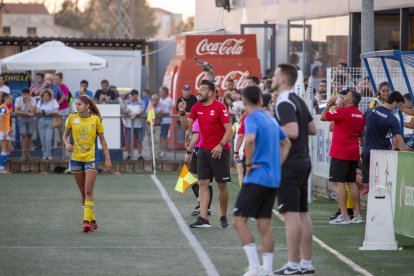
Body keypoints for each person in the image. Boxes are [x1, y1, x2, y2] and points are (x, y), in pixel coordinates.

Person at [233, 85, 291, 275]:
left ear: (243, 101)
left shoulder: (251, 118)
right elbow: (286, 143)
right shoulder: (271, 119)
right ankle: (267, 270)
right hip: (273, 178)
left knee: (239, 221)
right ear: (260, 99)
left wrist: (249, 165)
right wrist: (276, 164)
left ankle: (254, 266)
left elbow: (249, 139)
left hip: (257, 177)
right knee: (263, 224)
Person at [272, 64, 316, 275]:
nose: (272, 78)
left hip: (290, 162)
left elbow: (293, 130)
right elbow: (312, 129)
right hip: (303, 161)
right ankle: (306, 263)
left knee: (290, 215)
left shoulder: (284, 100)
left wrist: (269, 128)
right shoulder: (298, 100)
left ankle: (293, 264)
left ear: (282, 79)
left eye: (275, 75)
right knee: (302, 213)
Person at [178, 79, 233, 228]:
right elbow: (186, 127)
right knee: (202, 183)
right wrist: (182, 113)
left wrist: (221, 145)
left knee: (222, 185)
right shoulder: (196, 107)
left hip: (221, 151)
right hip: (203, 151)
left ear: (210, 93)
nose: (199, 91)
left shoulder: (220, 107)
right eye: (199, 89)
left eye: (202, 89)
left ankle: (223, 216)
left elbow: (229, 130)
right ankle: (203, 219)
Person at [63, 95, 112, 232]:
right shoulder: (72, 118)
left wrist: (107, 159)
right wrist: (67, 144)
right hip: (76, 158)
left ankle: (86, 222)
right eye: (76, 104)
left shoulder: (95, 120)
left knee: (88, 190)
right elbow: (65, 135)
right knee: (82, 192)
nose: (76, 106)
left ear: (87, 106)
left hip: (91, 158)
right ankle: (92, 220)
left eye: (79, 104)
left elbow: (103, 141)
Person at [321, 90, 365, 224]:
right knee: (352, 183)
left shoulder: (342, 112)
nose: (344, 97)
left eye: (346, 96)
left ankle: (344, 215)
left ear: (351, 100)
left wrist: (329, 103)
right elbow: (361, 132)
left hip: (340, 152)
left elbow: (323, 117)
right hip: (353, 152)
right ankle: (357, 215)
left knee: (339, 183)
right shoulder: (360, 114)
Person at [362, 92, 406, 188]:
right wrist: (405, 155)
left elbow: (361, 130)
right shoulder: (392, 118)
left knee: (367, 183)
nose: (399, 109)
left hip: (366, 151)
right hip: (380, 154)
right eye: (400, 106)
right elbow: (398, 138)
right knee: (380, 182)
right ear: (395, 103)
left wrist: (361, 145)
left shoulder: (370, 111)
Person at [184, 119, 213, 217]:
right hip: (209, 149)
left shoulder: (198, 120)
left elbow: (194, 137)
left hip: (199, 150)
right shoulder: (207, 119)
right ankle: (205, 206)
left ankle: (202, 205)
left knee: (193, 179)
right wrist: (187, 141)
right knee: (207, 181)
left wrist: (188, 150)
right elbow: (188, 131)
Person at [36, 89, 59, 160]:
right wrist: (42, 112)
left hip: (50, 120)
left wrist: (50, 113)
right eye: (44, 95)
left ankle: (49, 154)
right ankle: (44, 154)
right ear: (42, 96)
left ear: (49, 96)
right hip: (41, 120)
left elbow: (56, 110)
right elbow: (36, 110)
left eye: (47, 95)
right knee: (42, 139)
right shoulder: (40, 102)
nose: (45, 97)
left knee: (48, 139)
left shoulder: (53, 101)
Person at [122, 89, 145, 160]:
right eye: (130, 96)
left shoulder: (141, 102)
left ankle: (140, 155)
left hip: (139, 124)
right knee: (128, 140)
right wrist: (126, 111)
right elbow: (123, 110)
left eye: (132, 96)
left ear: (136, 95)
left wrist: (136, 114)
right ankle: (129, 154)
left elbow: (142, 110)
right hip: (129, 124)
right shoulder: (127, 102)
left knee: (139, 140)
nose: (131, 97)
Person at [14, 88, 36, 160]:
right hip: (21, 119)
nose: (26, 95)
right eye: (24, 94)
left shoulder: (33, 99)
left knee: (29, 136)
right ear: (22, 94)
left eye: (27, 94)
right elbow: (16, 111)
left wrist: (28, 102)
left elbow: (32, 111)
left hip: (31, 120)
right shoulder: (18, 99)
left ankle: (28, 154)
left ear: (29, 94)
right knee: (23, 135)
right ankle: (23, 154)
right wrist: (27, 113)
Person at [146, 94, 165, 159]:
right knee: (150, 141)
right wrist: (156, 112)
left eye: (155, 99)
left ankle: (157, 156)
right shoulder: (150, 105)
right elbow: (147, 113)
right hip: (149, 125)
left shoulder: (161, 105)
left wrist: (155, 113)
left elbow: (163, 112)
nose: (153, 101)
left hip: (157, 125)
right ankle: (152, 156)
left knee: (157, 140)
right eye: (152, 99)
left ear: (158, 100)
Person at [159, 87, 173, 158]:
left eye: (160, 92)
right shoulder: (160, 99)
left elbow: (166, 111)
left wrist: (159, 112)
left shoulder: (169, 100)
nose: (159, 93)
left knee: (164, 136)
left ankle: (164, 151)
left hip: (166, 121)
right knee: (160, 136)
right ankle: (160, 150)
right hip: (160, 121)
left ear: (164, 92)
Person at [0, 94, 12, 174]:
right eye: (10, 99)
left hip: (6, 131)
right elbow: (1, 119)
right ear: (6, 99)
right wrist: (4, 131)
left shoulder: (5, 107)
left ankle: (2, 167)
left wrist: (9, 129)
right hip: (2, 131)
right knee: (4, 149)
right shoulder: (3, 107)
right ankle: (2, 169)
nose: (11, 101)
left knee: (9, 149)